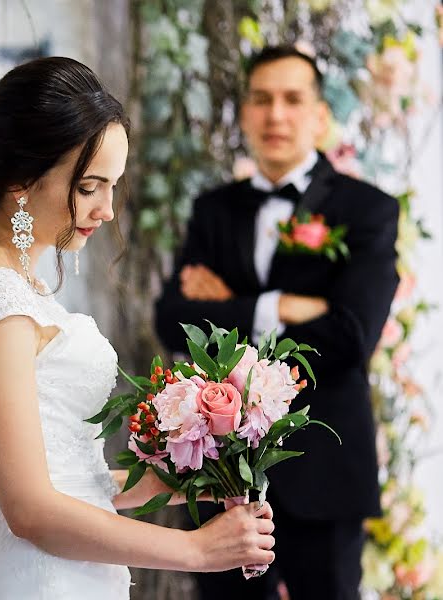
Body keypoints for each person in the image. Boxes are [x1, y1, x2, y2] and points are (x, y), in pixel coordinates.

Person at [0, 56, 276, 600]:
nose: (108, 210)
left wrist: (194, 478)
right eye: (91, 186)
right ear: (23, 179)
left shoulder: (15, 279)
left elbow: (72, 483)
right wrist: (195, 551)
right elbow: (28, 509)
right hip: (35, 579)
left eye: (112, 186)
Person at [155, 46, 400, 600]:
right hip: (220, 478)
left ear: (319, 115)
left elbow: (351, 336)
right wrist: (284, 305)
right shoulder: (213, 210)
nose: (276, 115)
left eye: (293, 99)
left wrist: (232, 302)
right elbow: (173, 322)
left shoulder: (368, 210)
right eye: (261, 99)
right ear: (243, 112)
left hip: (326, 471)